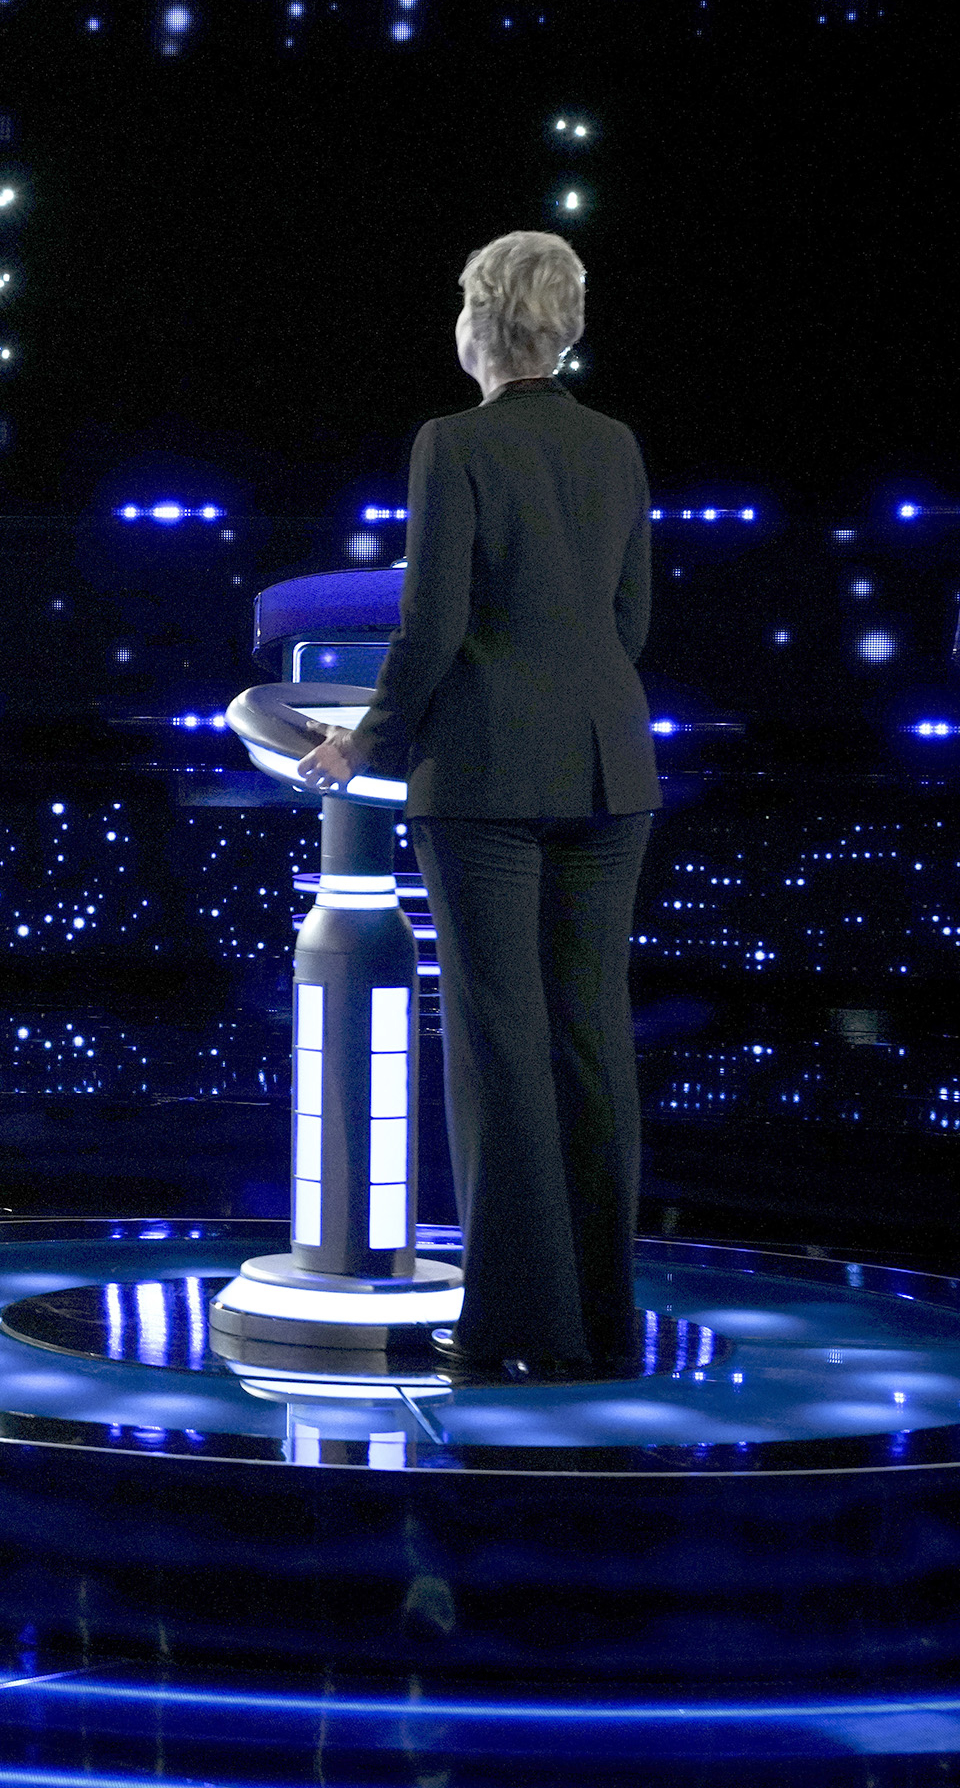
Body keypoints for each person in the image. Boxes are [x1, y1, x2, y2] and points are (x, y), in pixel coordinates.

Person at [299, 231, 658, 1383]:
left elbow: (432, 626)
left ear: (478, 322)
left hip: (490, 781)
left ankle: (519, 1332)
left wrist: (363, 741)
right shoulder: (616, 445)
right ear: (568, 322)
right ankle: (604, 1327)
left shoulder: (451, 443)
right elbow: (631, 623)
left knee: (503, 1045)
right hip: (611, 770)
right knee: (591, 1039)